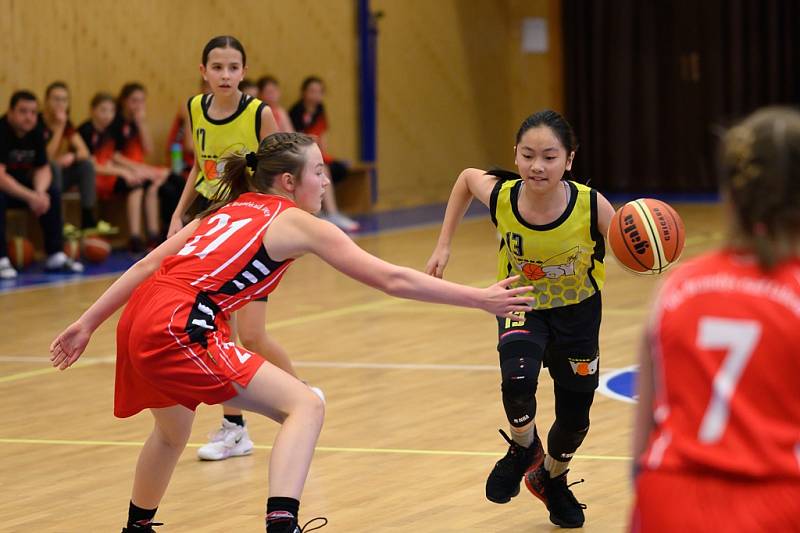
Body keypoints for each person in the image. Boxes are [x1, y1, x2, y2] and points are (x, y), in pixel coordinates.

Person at [50, 131, 536, 532]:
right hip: (181, 323)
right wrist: (480, 298)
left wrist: (87, 322)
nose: (325, 180)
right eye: (319, 170)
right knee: (305, 404)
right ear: (289, 181)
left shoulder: (228, 208)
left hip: (142, 316)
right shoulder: (298, 222)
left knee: (171, 432)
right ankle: (282, 525)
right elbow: (391, 278)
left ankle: (137, 527)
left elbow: (151, 261)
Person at [426, 110, 614, 528]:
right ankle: (524, 448)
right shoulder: (503, 196)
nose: (537, 165)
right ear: (515, 156)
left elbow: (627, 246)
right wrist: (443, 245)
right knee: (517, 381)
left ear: (569, 160)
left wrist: (648, 254)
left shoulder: (590, 205)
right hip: (520, 303)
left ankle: (552, 478)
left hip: (578, 313)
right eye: (528, 155)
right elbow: (465, 179)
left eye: (549, 156)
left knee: (574, 417)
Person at [630, 107, 800, 532]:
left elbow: (642, 439)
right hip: (774, 503)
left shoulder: (677, 287)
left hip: (666, 499)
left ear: (728, 194)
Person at [168, 35, 299, 461]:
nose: (225, 75)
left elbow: (283, 172)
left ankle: (301, 399)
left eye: (233, 67)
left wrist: (285, 227)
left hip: (250, 224)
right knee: (216, 328)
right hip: (209, 220)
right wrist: (179, 213)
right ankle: (235, 428)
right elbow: (198, 165)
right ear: (203, 71)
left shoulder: (260, 114)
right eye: (217, 67)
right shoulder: (194, 108)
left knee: (253, 334)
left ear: (244, 71)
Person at [0, 90, 84, 278]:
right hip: (4, 187)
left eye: (32, 112)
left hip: (22, 187)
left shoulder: (35, 130)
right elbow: (1, 177)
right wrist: (31, 196)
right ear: (11, 112)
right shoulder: (2, 130)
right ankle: (1, 259)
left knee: (51, 192)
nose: (29, 117)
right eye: (23, 111)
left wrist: (39, 193)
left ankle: (55, 254)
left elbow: (43, 168)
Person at [289, 76, 359, 233]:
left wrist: (324, 156)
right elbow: (295, 140)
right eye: (312, 91)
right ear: (304, 93)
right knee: (323, 170)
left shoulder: (320, 109)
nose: (315, 95)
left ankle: (328, 212)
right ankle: (326, 213)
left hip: (315, 155)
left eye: (319, 91)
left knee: (339, 169)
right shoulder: (296, 111)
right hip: (300, 156)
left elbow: (322, 136)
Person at [78, 93, 148, 247]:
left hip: (108, 178)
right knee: (131, 181)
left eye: (111, 111)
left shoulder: (110, 132)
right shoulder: (85, 131)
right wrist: (122, 172)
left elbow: (110, 159)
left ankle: (135, 237)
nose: (107, 115)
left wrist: (130, 172)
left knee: (136, 185)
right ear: (92, 110)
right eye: (103, 110)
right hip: (91, 181)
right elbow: (91, 167)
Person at [41, 81, 111, 235]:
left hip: (58, 177)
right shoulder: (38, 122)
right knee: (54, 167)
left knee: (86, 165)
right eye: (56, 99)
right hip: (39, 180)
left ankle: (88, 220)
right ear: (46, 101)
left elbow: (84, 152)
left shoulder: (66, 124)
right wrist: (60, 127)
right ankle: (57, 222)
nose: (60, 104)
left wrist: (72, 156)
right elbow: (45, 158)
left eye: (64, 100)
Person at [110, 82, 169, 252]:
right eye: (134, 101)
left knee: (154, 186)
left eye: (142, 101)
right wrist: (138, 169)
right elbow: (114, 156)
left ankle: (153, 235)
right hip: (118, 171)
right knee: (137, 187)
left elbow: (148, 149)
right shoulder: (116, 121)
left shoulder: (138, 121)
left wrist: (142, 123)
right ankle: (134, 237)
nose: (138, 105)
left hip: (136, 169)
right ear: (124, 101)